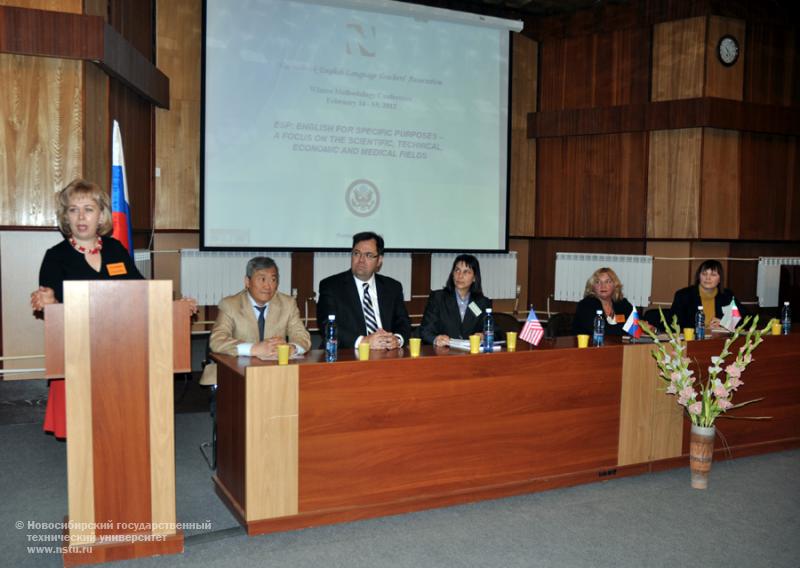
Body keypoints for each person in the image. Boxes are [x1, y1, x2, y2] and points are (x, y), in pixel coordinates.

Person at [30, 179, 143, 439]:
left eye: (89, 209)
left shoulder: (116, 249)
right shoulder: (55, 256)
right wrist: (48, 303)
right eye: (73, 209)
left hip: (119, 343)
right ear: (66, 217)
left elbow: (139, 290)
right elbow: (50, 306)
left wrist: (171, 304)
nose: (81, 216)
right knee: (84, 426)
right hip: (76, 345)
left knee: (116, 420)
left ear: (101, 214)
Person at [204, 256, 311, 384]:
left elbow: (302, 337)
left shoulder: (287, 304)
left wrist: (291, 348)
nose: (268, 286)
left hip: (275, 373)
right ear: (247, 282)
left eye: (273, 279)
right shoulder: (230, 304)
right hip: (236, 373)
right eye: (262, 279)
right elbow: (217, 341)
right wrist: (254, 349)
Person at [316, 231, 411, 350]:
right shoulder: (331, 286)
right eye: (357, 253)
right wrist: (363, 342)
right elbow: (327, 325)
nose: (361, 260)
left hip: (387, 355)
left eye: (369, 255)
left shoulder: (392, 287)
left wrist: (397, 339)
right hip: (348, 355)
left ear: (379, 260)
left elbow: (403, 322)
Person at [418, 254, 492, 347]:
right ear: (452, 274)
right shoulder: (438, 298)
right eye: (457, 270)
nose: (460, 276)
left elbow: (495, 332)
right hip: (444, 353)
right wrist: (436, 339)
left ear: (474, 278)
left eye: (466, 272)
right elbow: (425, 331)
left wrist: (484, 336)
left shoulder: (482, 303)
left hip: (472, 355)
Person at [670, 260, 746, 331]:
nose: (708, 278)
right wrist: (705, 330)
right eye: (704, 274)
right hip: (692, 341)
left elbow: (746, 318)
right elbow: (674, 324)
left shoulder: (727, 296)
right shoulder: (683, 296)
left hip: (719, 340)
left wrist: (725, 323)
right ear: (699, 277)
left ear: (720, 279)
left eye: (713, 274)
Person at [572, 267, 634, 336]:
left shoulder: (622, 303)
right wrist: (627, 330)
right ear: (592, 287)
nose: (603, 286)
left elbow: (636, 324)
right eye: (598, 282)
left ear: (615, 285)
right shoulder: (585, 305)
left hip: (620, 345)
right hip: (590, 345)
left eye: (607, 282)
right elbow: (601, 331)